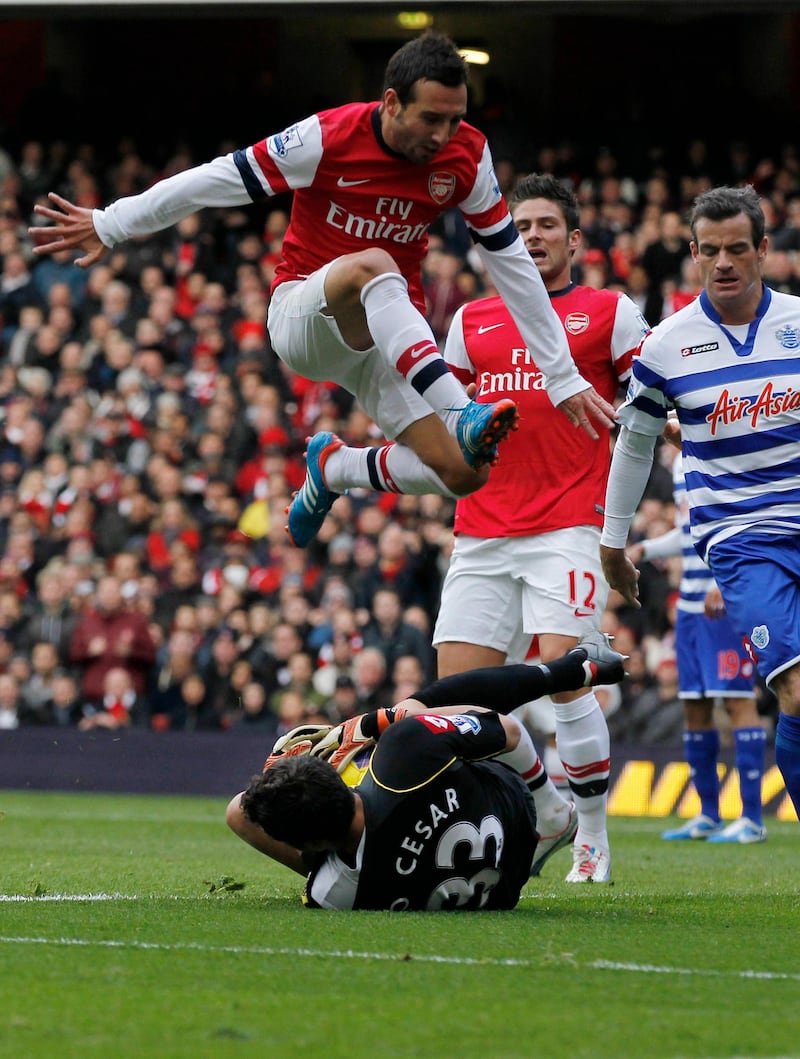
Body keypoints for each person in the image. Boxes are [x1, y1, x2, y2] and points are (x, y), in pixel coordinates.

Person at [29, 33, 615, 553]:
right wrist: (111, 222)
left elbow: (510, 263)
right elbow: (212, 180)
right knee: (376, 265)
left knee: (465, 474)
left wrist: (562, 375)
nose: (444, 135)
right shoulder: (326, 137)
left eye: (455, 119)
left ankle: (337, 469)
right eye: (431, 119)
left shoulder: (467, 153)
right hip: (304, 317)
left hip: (385, 341)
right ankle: (459, 410)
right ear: (390, 103)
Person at [432, 173, 649, 882]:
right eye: (520, 225)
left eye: (547, 225)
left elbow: (652, 396)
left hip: (568, 526)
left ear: (575, 238)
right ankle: (542, 804)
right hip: (481, 531)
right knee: (455, 701)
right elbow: (449, 421)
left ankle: (591, 833)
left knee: (563, 675)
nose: (532, 236)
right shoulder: (470, 321)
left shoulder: (607, 312)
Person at [600, 184, 800, 825]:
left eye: (737, 248)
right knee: (796, 688)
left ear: (764, 249)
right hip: (742, 541)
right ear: (691, 252)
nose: (723, 263)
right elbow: (633, 447)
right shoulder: (665, 347)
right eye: (709, 250)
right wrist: (612, 539)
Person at [225, 632, 626, 910]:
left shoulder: (333, 894)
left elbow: (238, 813)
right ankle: (574, 671)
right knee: (414, 711)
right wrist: (372, 725)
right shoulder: (400, 758)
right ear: (337, 780)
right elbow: (507, 729)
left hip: (504, 883)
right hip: (513, 810)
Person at [628, 450, 767, 843]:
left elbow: (740, 521)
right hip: (688, 607)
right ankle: (709, 813)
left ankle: (753, 819)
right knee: (695, 707)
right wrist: (648, 549)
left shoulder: (719, 451)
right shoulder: (677, 465)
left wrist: (723, 583)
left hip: (721, 603)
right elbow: (691, 530)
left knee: (737, 701)